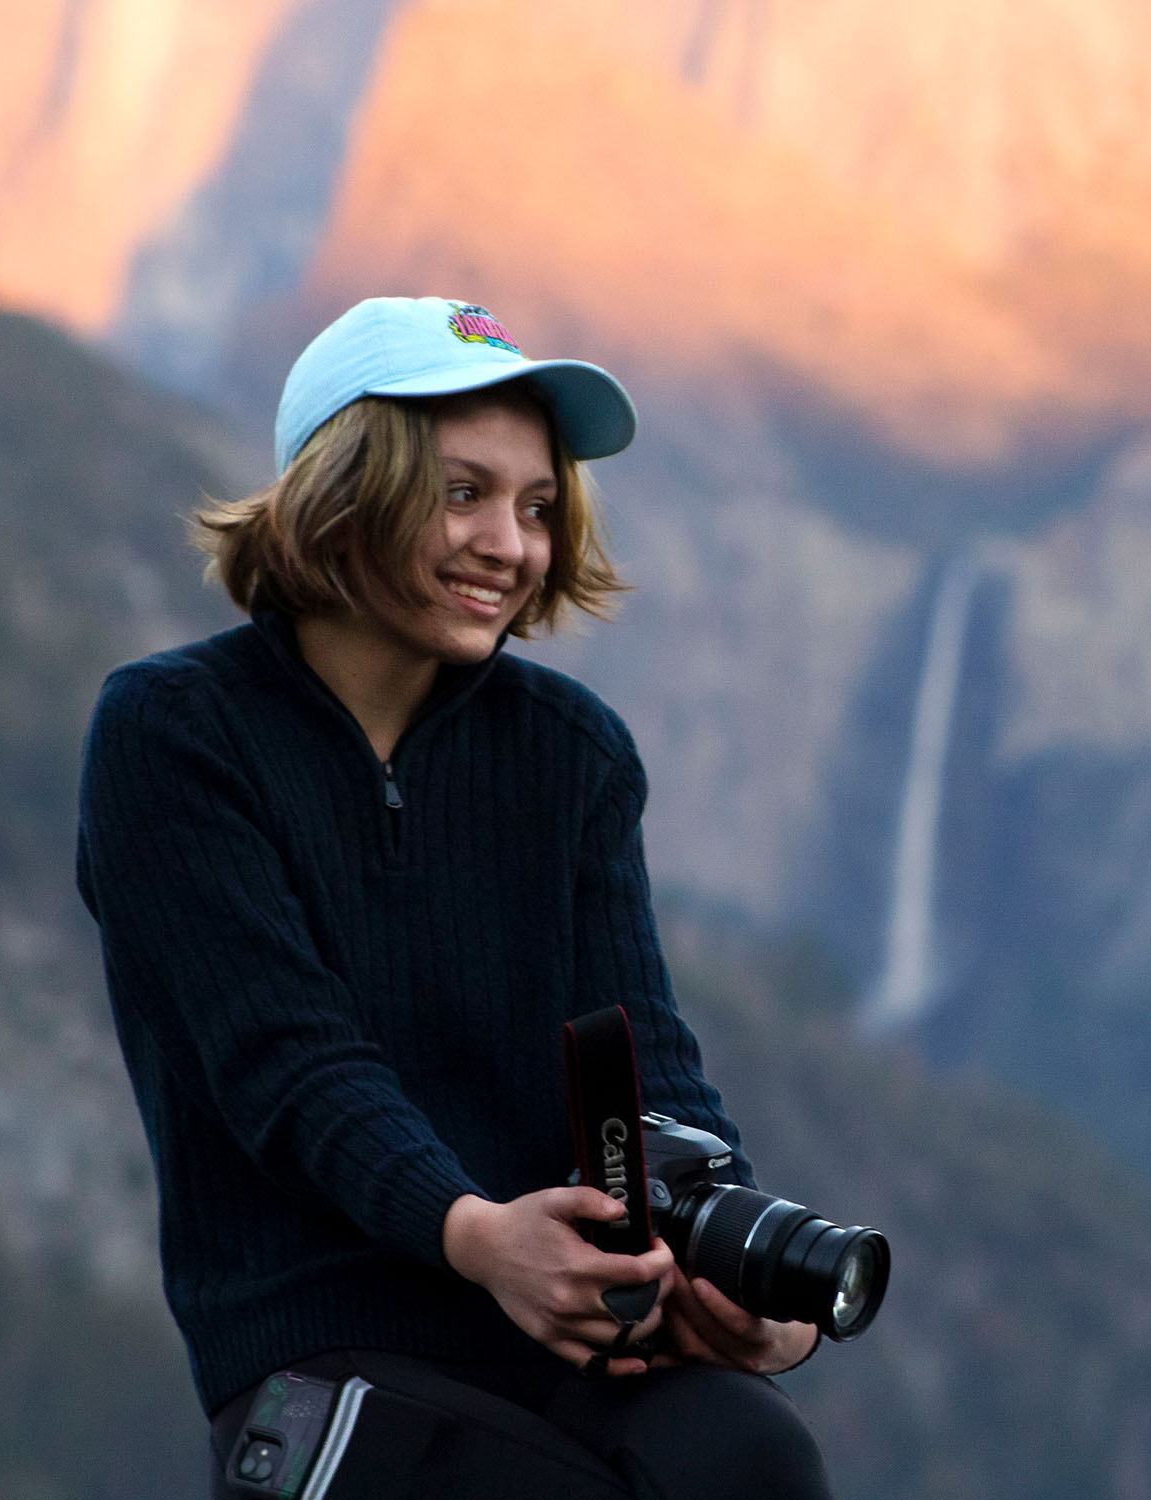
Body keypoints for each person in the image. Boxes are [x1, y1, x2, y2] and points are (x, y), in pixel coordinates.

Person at [76, 297, 828, 1498]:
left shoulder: (572, 754)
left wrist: (729, 1260)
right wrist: (477, 1235)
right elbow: (289, 1064)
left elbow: (642, 1061)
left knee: (755, 1452)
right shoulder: (174, 735)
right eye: (461, 492)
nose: (509, 544)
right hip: (325, 1342)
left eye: (537, 507)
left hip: (559, 1330)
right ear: (343, 489)